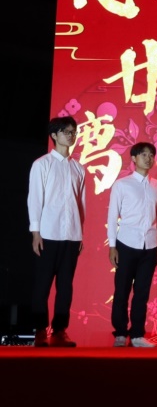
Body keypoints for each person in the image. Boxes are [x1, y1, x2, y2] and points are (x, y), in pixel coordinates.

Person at [27, 117, 86, 347]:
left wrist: (80, 233)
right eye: (66, 132)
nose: (70, 136)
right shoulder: (42, 164)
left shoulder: (78, 168)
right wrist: (35, 232)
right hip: (48, 234)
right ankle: (40, 330)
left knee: (65, 286)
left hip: (72, 234)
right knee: (42, 285)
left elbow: (81, 204)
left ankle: (60, 331)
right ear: (54, 135)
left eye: (73, 132)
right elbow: (35, 198)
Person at [106, 141, 157, 347]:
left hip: (149, 245)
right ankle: (120, 333)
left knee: (142, 292)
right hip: (126, 243)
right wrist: (112, 246)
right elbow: (112, 216)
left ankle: (138, 334)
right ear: (133, 158)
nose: (148, 158)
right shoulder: (122, 184)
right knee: (122, 290)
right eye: (143, 155)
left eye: (151, 155)